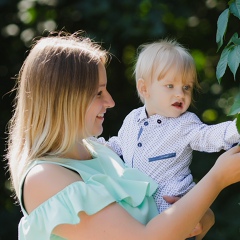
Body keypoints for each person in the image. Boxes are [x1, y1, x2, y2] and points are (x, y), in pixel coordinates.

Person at [6, 31, 240, 240]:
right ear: (63, 100)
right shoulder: (44, 178)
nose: (110, 101)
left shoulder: (102, 152)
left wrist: (201, 217)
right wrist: (217, 179)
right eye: (98, 93)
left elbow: (189, 216)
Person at [95, 39, 240, 239]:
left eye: (187, 87)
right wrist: (96, 146)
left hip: (175, 211)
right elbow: (120, 144)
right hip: (143, 216)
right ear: (144, 89)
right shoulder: (133, 118)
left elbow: (209, 135)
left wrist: (237, 128)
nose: (180, 94)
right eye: (170, 85)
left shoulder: (184, 123)